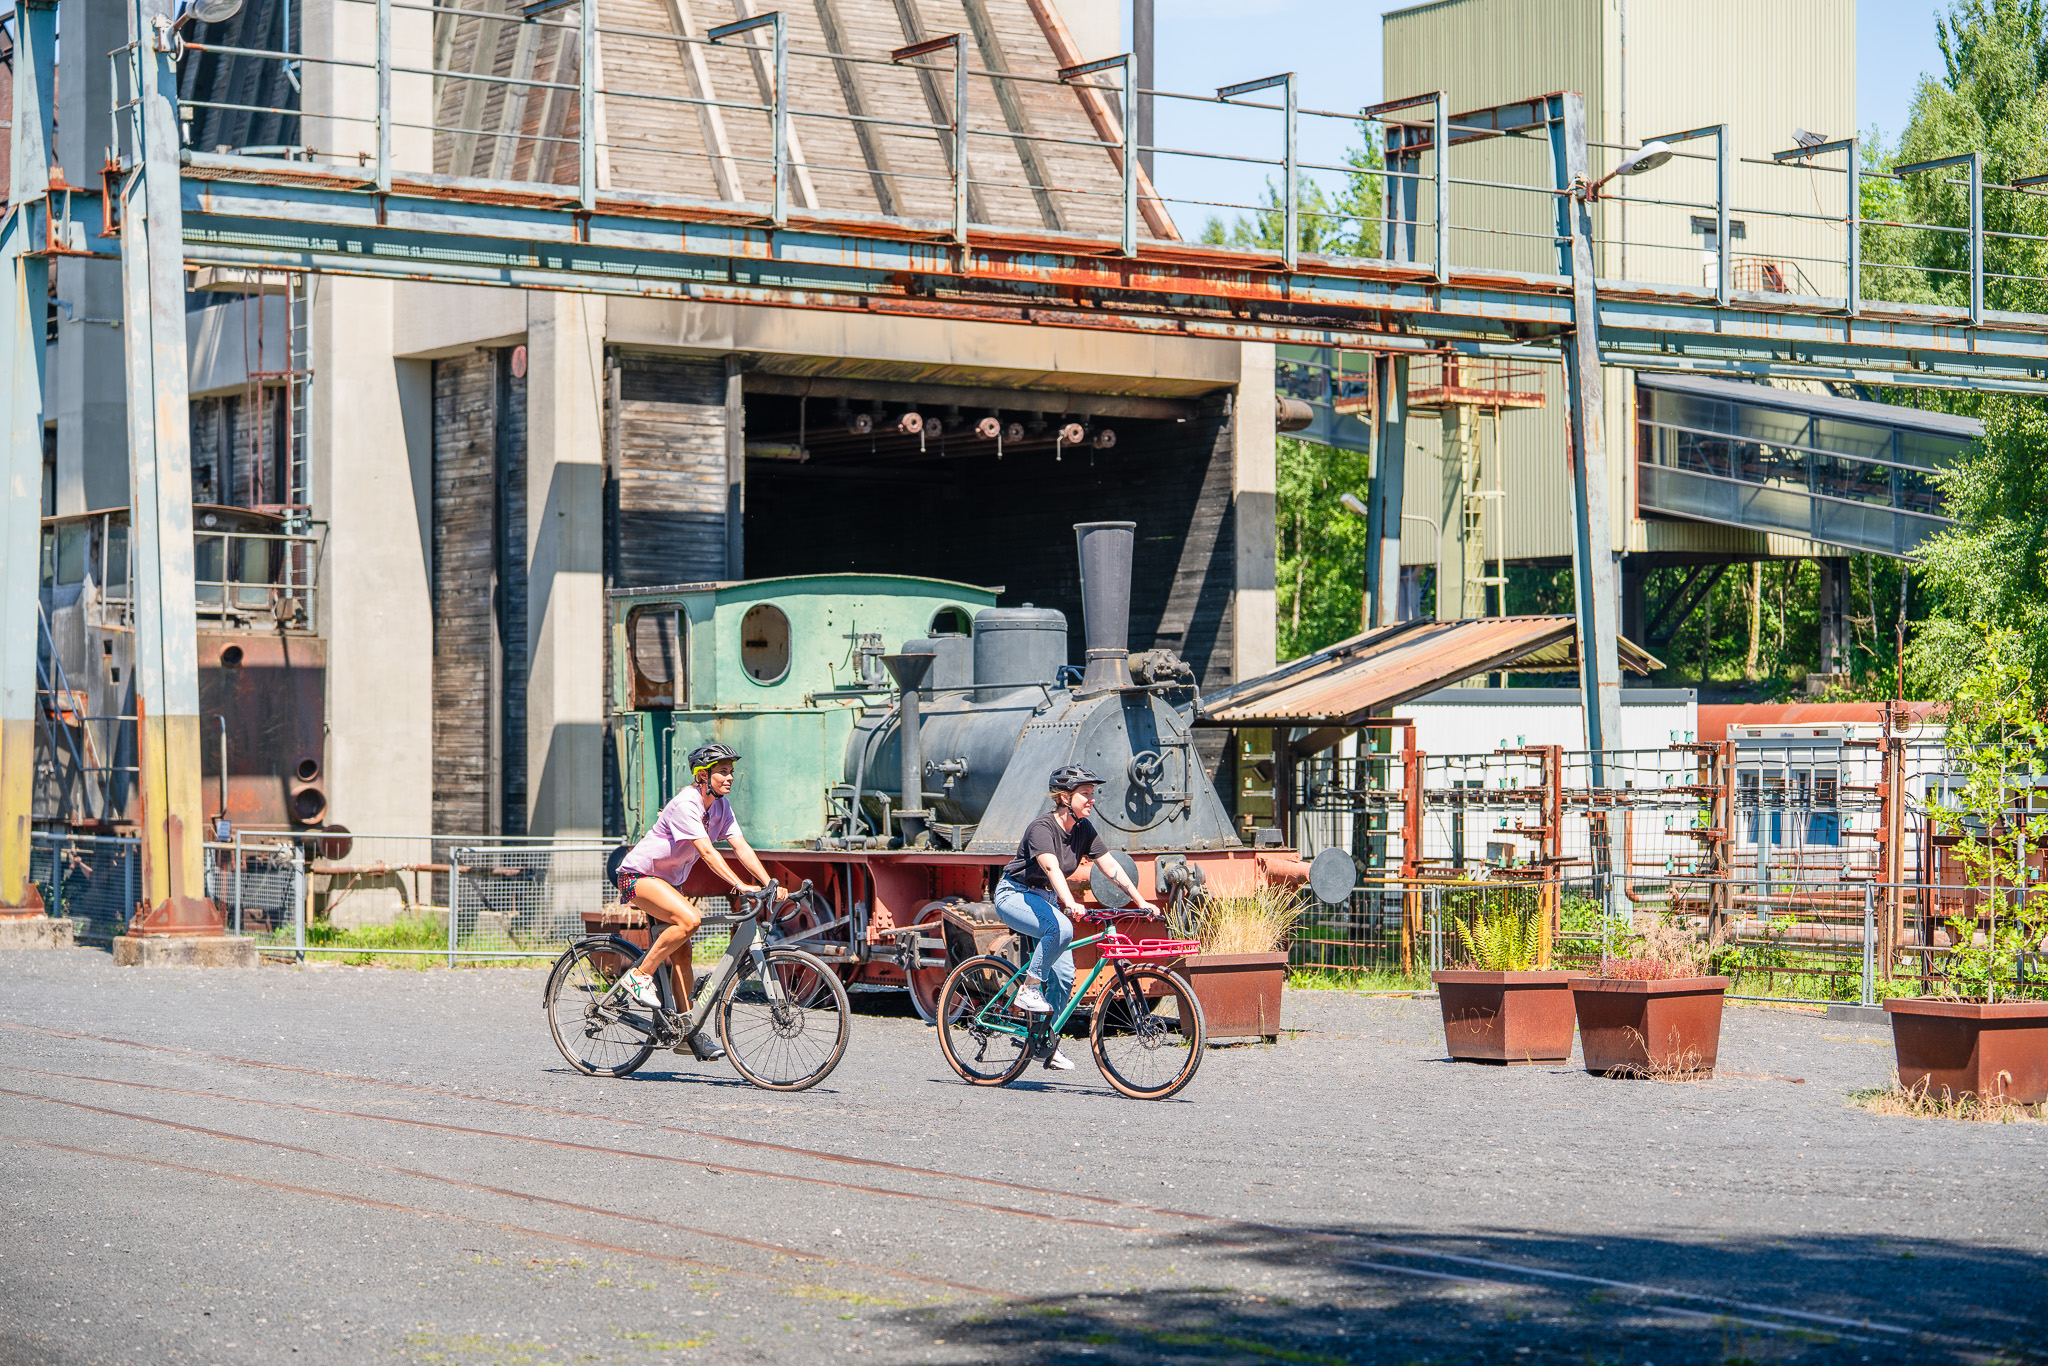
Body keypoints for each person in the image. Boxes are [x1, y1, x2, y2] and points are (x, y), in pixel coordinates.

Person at [612, 742, 777, 1062]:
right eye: (722, 773)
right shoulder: (686, 804)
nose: (729, 778)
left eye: (731, 772)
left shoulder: (720, 807)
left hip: (667, 883)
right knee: (690, 920)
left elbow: (740, 847)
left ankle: (686, 1032)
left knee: (683, 955)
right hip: (636, 877)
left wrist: (769, 882)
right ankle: (639, 976)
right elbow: (707, 852)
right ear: (703, 776)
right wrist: (740, 885)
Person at [992, 763, 1157, 1070]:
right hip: (1014, 895)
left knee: (1065, 976)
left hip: (1044, 900)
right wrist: (1070, 903)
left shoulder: (1083, 829)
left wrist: (1141, 901)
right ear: (1064, 797)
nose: (1091, 799)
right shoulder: (1041, 828)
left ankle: (1043, 1041)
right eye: (1085, 793)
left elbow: (1110, 867)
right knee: (1063, 928)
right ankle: (1028, 989)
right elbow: (1052, 868)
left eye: (1092, 793)